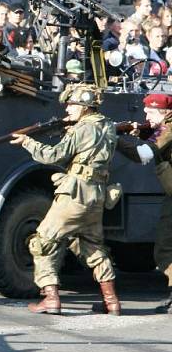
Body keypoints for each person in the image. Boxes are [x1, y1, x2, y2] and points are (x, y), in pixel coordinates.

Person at [10, 83, 120, 315]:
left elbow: (52, 156)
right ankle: (111, 301)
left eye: (72, 104)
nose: (68, 109)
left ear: (86, 106)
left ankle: (50, 298)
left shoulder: (82, 129)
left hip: (74, 196)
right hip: (96, 196)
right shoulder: (108, 126)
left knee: (41, 242)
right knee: (93, 248)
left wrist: (27, 141)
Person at [115, 93, 172, 313]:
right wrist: (140, 132)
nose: (145, 113)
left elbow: (143, 155)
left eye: (150, 110)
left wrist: (115, 139)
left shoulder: (168, 129)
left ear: (165, 112)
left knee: (166, 248)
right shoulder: (164, 127)